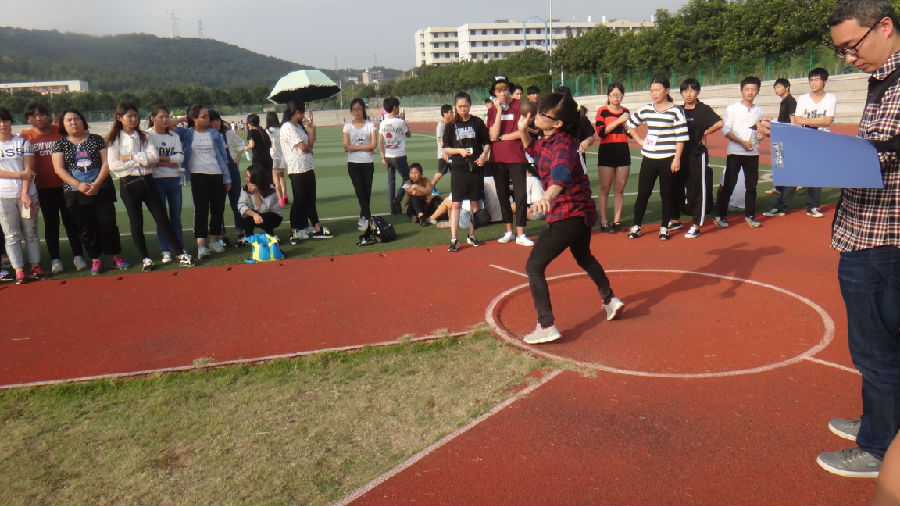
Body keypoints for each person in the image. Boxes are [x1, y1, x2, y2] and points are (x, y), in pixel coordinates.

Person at [817, 0, 900, 478]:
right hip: (867, 228)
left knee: (875, 347)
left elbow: (880, 154)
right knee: (878, 344)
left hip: (881, 237)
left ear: (884, 26)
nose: (848, 58)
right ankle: (880, 421)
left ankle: (880, 448)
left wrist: (808, 151)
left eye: (852, 46)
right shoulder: (883, 78)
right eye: (842, 50)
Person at [515, 92, 624, 344]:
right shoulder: (548, 138)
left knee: (534, 266)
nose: (537, 116)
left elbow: (561, 174)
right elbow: (533, 150)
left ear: (558, 123)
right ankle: (610, 299)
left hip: (568, 214)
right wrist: (523, 131)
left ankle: (546, 325)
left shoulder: (563, 146)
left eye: (543, 114)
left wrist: (547, 196)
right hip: (580, 213)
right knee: (583, 256)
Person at [107, 103, 193, 271]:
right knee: (136, 222)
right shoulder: (114, 139)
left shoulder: (144, 136)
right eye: (129, 116)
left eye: (135, 116)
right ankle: (145, 258)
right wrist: (139, 160)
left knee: (162, 218)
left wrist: (130, 157)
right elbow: (114, 165)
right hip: (128, 183)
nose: (133, 119)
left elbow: (152, 158)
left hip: (147, 180)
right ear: (119, 118)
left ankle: (180, 253)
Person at [51, 108, 128, 275]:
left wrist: (97, 183)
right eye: (69, 120)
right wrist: (78, 184)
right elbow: (59, 169)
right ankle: (95, 259)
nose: (73, 122)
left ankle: (116, 256)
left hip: (102, 188)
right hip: (75, 192)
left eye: (76, 119)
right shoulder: (60, 144)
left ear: (83, 121)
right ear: (63, 124)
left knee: (108, 223)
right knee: (85, 228)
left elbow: (106, 163)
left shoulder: (96, 139)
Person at [20, 103, 86, 273]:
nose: (38, 118)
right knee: (51, 224)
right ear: (28, 119)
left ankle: (78, 255)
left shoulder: (60, 131)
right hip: (42, 187)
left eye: (41, 114)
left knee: (71, 222)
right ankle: (55, 259)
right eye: (33, 116)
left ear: (49, 115)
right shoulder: (25, 136)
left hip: (66, 185)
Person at [625, 75, 689, 241]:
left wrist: (677, 158)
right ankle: (637, 225)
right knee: (643, 193)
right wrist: (639, 140)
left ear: (666, 91)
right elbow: (630, 124)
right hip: (649, 158)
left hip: (668, 158)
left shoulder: (676, 111)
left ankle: (664, 227)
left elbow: (681, 138)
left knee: (666, 194)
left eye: (657, 90)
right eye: (652, 90)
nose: (654, 93)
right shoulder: (646, 109)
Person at [765, 69, 835, 219]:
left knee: (814, 175)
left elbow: (827, 120)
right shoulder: (803, 99)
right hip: (803, 138)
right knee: (793, 174)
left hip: (821, 140)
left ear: (824, 82)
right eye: (811, 80)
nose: (813, 83)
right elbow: (797, 120)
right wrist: (814, 121)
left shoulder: (830, 98)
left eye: (817, 79)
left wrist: (806, 120)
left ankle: (813, 207)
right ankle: (780, 207)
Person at [175, 104, 232, 259]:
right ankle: (201, 245)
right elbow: (169, 126)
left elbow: (223, 157)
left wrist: (226, 177)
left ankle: (214, 241)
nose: (208, 119)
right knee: (200, 210)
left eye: (208, 116)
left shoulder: (215, 134)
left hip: (217, 174)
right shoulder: (187, 133)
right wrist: (184, 118)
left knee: (217, 209)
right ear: (194, 118)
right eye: (204, 116)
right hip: (198, 175)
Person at [442, 91, 491, 252]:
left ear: (470, 105)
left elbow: (487, 143)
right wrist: (459, 151)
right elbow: (446, 148)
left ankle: (472, 234)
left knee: (474, 203)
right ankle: (454, 239)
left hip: (475, 166)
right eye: (460, 106)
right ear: (455, 107)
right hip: (458, 167)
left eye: (466, 106)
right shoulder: (451, 124)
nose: (463, 109)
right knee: (456, 203)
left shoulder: (477, 122)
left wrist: (483, 156)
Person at [0, 106, 43, 284]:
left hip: (27, 194)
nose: (2, 124)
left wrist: (25, 192)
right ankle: (18, 269)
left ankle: (35, 266)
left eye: (5, 120)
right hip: (4, 196)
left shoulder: (23, 143)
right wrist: (18, 175)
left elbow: (29, 170)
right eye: (0, 121)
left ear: (11, 122)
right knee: (11, 235)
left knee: (31, 232)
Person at [487, 76, 532, 246]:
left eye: (505, 89)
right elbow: (493, 135)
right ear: (494, 93)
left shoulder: (519, 106)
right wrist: (499, 111)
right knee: (503, 194)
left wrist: (503, 137)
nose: (503, 93)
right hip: (497, 158)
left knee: (521, 194)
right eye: (499, 91)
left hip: (516, 157)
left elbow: (522, 131)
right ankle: (509, 231)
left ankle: (521, 233)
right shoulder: (492, 110)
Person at [280, 101, 332, 244]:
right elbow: (303, 147)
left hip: (307, 166)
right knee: (299, 200)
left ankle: (317, 227)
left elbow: (310, 144)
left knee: (311, 199)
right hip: (297, 168)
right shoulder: (287, 127)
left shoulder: (298, 127)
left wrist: (312, 129)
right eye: (302, 112)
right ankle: (293, 231)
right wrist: (310, 150)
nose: (303, 115)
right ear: (297, 112)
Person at [716, 76, 764, 229]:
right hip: (735, 153)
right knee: (729, 185)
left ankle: (750, 216)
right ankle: (720, 216)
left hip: (752, 154)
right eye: (747, 89)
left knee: (751, 187)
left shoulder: (759, 110)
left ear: (758, 91)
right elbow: (726, 131)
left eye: (753, 89)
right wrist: (742, 142)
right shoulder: (732, 108)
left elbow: (758, 133)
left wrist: (758, 139)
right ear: (741, 91)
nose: (750, 92)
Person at [678, 78, 723, 239]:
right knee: (680, 187)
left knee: (699, 188)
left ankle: (697, 224)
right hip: (680, 155)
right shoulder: (678, 110)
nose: (688, 94)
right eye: (685, 91)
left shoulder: (703, 109)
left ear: (697, 92)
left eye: (692, 90)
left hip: (697, 154)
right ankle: (675, 219)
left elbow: (719, 123)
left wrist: (705, 133)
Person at [146, 105, 187, 265]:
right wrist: (169, 161)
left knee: (176, 216)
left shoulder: (173, 136)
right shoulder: (147, 136)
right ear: (153, 118)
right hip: (156, 180)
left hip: (173, 179)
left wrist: (159, 160)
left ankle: (180, 249)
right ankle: (165, 250)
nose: (165, 120)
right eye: (161, 117)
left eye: (167, 117)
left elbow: (180, 158)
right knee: (161, 218)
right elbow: (149, 159)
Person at [590, 83, 631, 233]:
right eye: (613, 95)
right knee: (605, 188)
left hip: (623, 150)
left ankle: (617, 221)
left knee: (620, 188)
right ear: (608, 96)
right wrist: (618, 121)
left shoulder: (626, 111)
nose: (616, 98)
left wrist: (634, 132)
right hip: (607, 150)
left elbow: (628, 131)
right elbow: (601, 132)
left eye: (619, 95)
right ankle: (604, 222)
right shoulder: (602, 111)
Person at [209, 110, 244, 245]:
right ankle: (222, 235)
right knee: (218, 204)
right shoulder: (206, 136)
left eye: (217, 120)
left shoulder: (228, 133)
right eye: (212, 121)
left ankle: (240, 232)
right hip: (216, 171)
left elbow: (241, 142)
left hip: (231, 169)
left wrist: (237, 159)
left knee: (236, 201)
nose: (216, 123)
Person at [342, 98, 377, 231]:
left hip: (367, 163)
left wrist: (355, 147)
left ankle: (363, 217)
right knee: (360, 192)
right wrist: (365, 147)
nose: (357, 112)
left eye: (360, 109)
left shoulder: (370, 125)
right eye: (354, 110)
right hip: (353, 164)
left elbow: (374, 145)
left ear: (363, 109)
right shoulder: (348, 126)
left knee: (367, 192)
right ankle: (368, 218)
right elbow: (346, 147)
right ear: (351, 111)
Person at [762, 78, 798, 197]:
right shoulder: (784, 101)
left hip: (786, 136)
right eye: (775, 87)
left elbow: (792, 122)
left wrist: (770, 128)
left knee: (784, 163)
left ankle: (793, 185)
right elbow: (783, 121)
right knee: (778, 163)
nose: (776, 89)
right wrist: (772, 123)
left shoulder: (791, 102)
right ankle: (779, 187)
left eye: (779, 87)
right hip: (781, 135)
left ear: (787, 88)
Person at [242, 113, 274, 240]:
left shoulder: (252, 132)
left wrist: (245, 148)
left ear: (249, 123)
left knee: (256, 190)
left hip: (258, 163)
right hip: (268, 161)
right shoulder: (263, 131)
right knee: (267, 188)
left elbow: (252, 145)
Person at [378, 97, 411, 215]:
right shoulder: (400, 122)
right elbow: (408, 134)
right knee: (408, 179)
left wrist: (382, 156)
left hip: (388, 155)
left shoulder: (383, 123)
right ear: (394, 108)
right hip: (399, 155)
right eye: (397, 106)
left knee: (391, 181)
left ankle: (392, 207)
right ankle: (398, 198)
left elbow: (380, 141)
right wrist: (403, 120)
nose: (398, 108)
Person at [238, 163, 283, 237]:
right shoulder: (246, 188)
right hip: (257, 214)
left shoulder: (270, 189)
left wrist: (256, 194)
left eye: (248, 177)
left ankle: (270, 235)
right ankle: (249, 237)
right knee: (243, 214)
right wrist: (254, 214)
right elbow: (240, 205)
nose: (246, 179)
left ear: (255, 178)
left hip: (274, 216)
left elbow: (263, 210)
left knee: (264, 216)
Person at [265, 111, 288, 207]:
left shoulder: (268, 130)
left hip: (274, 156)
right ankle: (285, 195)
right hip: (283, 156)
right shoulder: (281, 129)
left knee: (276, 179)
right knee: (282, 177)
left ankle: (280, 199)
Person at [430, 104, 455, 193]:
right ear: (445, 113)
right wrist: (445, 152)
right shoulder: (441, 125)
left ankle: (455, 189)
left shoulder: (451, 123)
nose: (452, 113)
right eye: (450, 112)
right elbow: (440, 140)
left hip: (451, 152)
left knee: (455, 171)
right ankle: (431, 186)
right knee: (441, 172)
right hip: (443, 154)